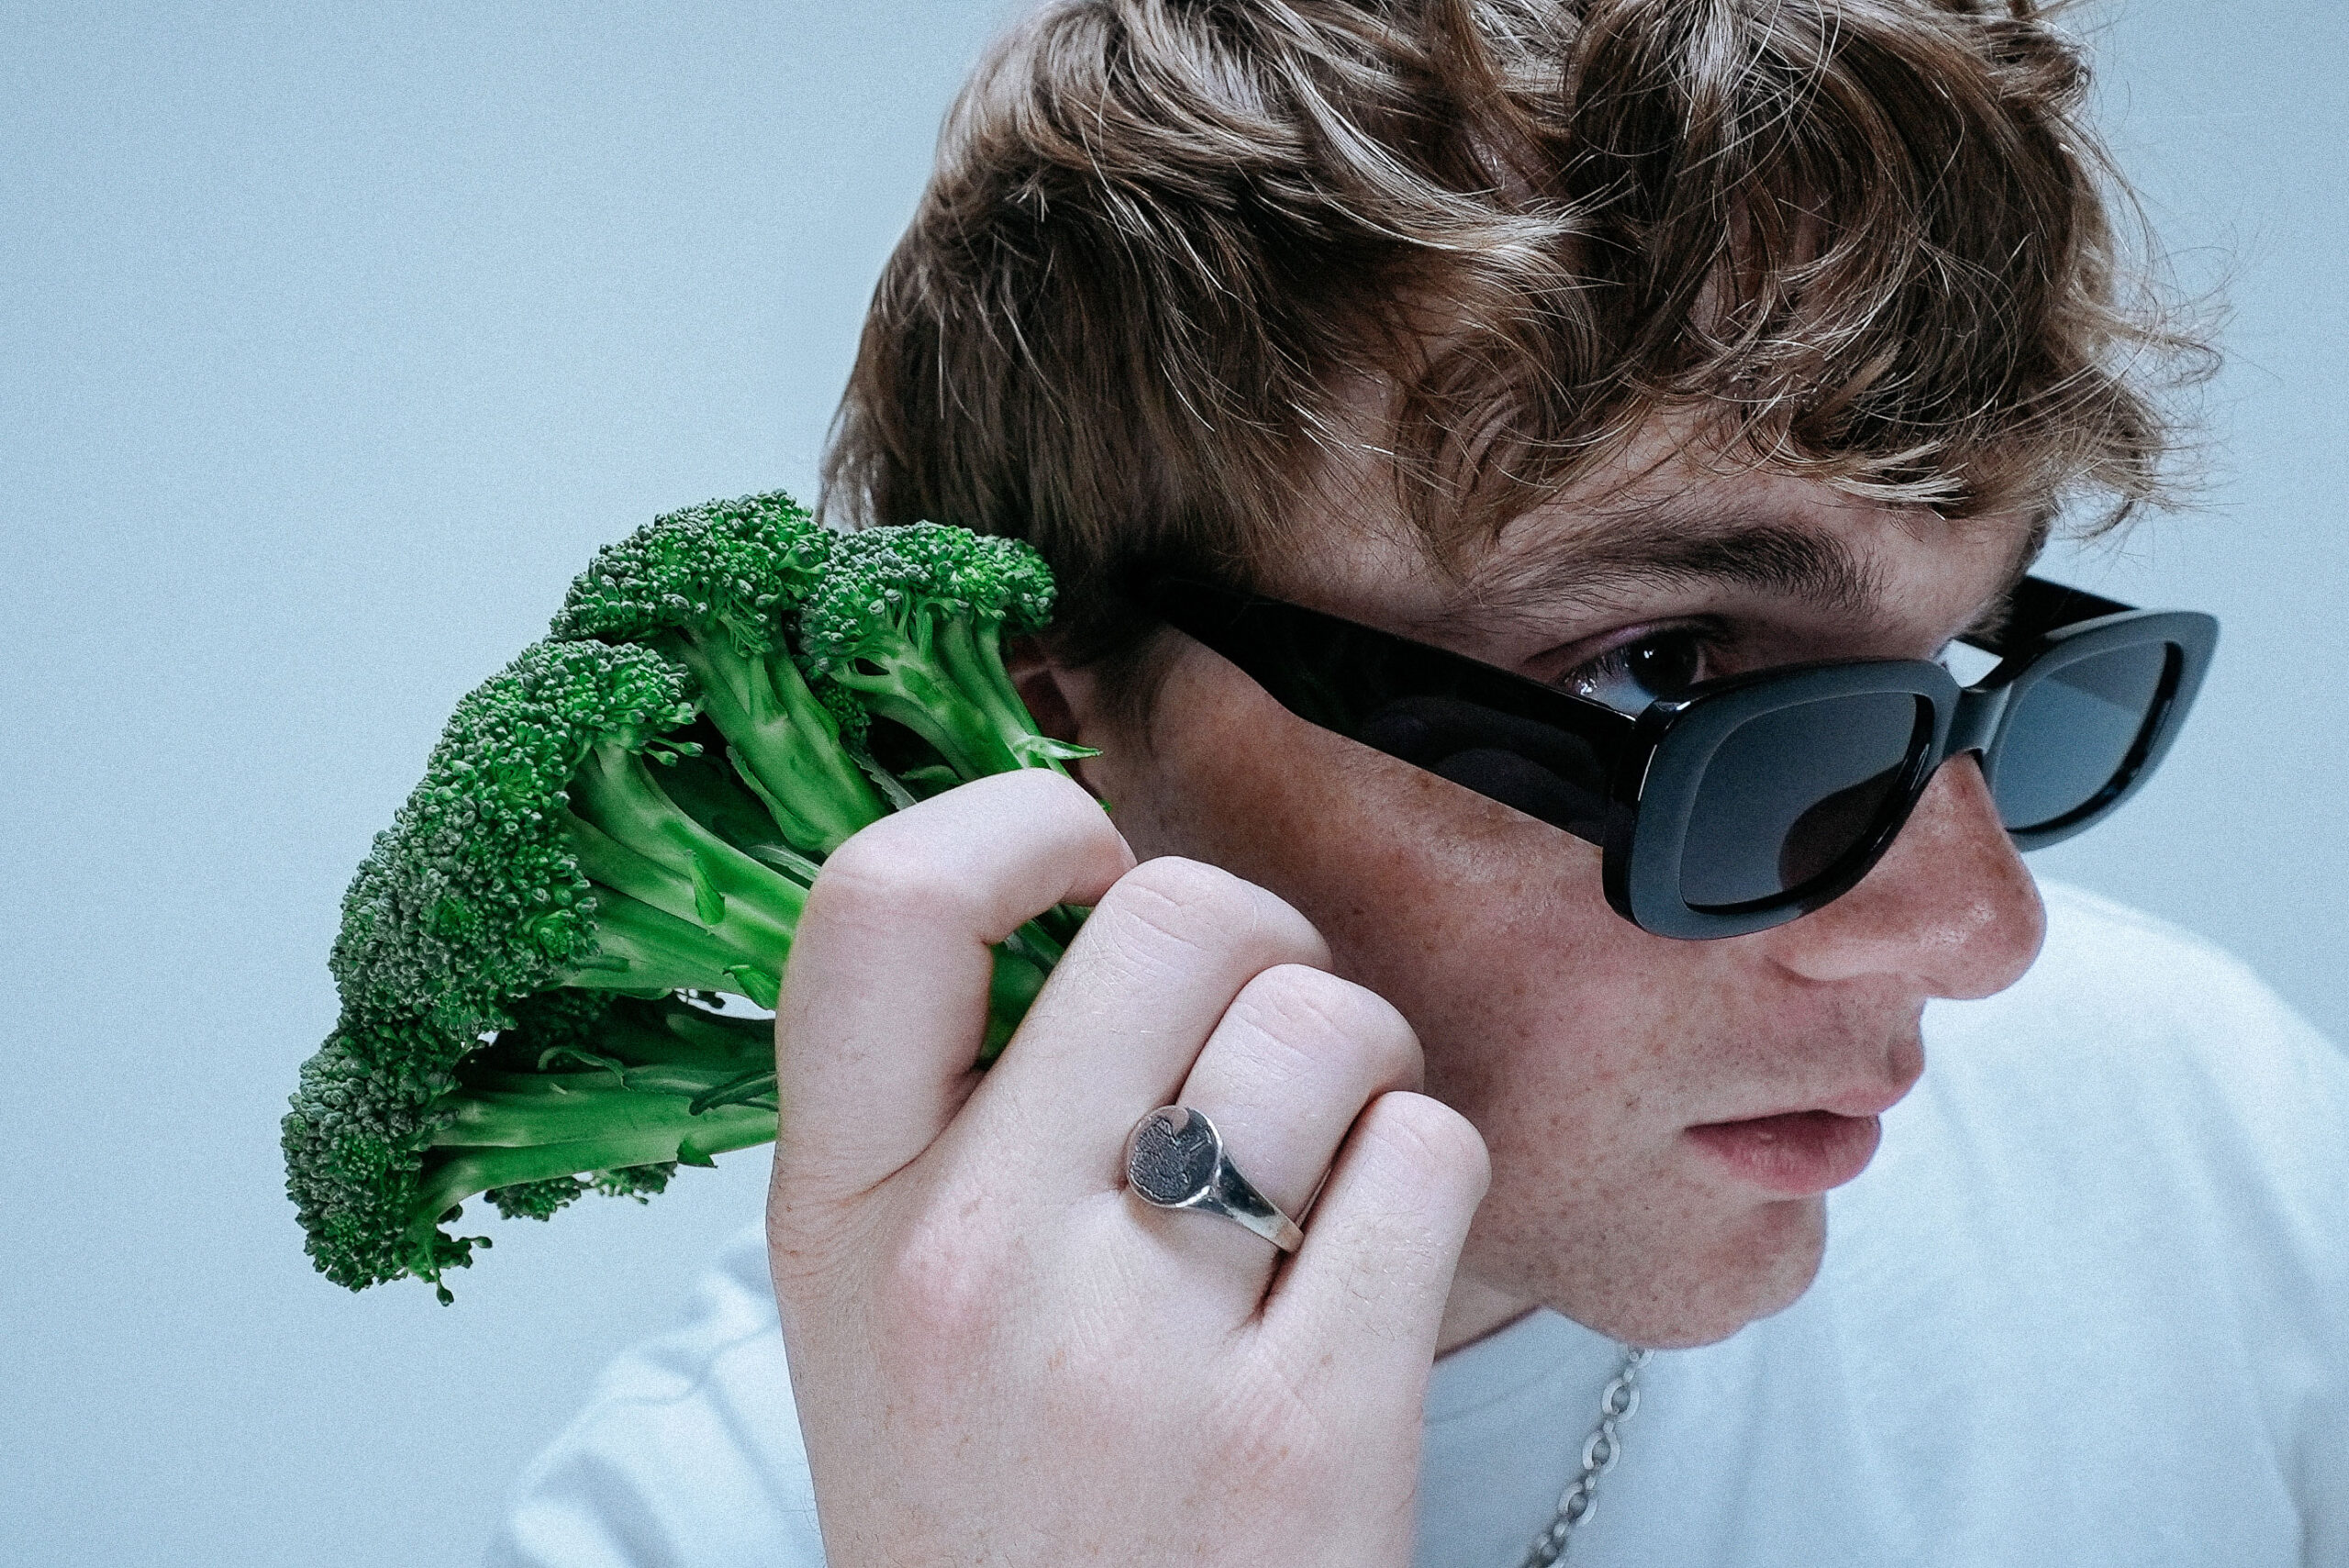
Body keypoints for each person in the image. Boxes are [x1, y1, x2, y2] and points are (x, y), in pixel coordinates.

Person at [491, 2, 2349, 1563]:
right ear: (1053, 706)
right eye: (1664, 670)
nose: (1978, 934)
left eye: (1966, 657)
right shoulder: (701, 1524)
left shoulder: (2203, 1140)